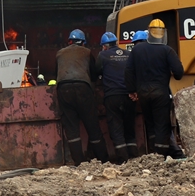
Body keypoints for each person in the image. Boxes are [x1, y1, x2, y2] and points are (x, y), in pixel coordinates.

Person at [125, 19, 185, 158]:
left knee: (150, 123)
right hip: (160, 93)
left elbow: (128, 71)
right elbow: (179, 72)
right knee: (162, 125)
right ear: (163, 34)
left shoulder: (137, 50)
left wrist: (131, 90)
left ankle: (153, 155)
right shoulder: (167, 50)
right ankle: (161, 155)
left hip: (143, 93)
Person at [54, 29, 109, 165]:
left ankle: (78, 162)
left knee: (71, 128)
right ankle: (103, 159)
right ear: (83, 43)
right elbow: (94, 73)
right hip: (83, 88)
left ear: (69, 41)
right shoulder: (87, 52)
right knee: (92, 125)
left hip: (63, 89)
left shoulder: (60, 53)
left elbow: (57, 74)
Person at [95, 31, 137, 162]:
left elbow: (96, 72)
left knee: (116, 128)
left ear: (105, 46)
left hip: (112, 96)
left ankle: (123, 159)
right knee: (129, 128)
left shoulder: (102, 55)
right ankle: (134, 157)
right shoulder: (128, 54)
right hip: (129, 95)